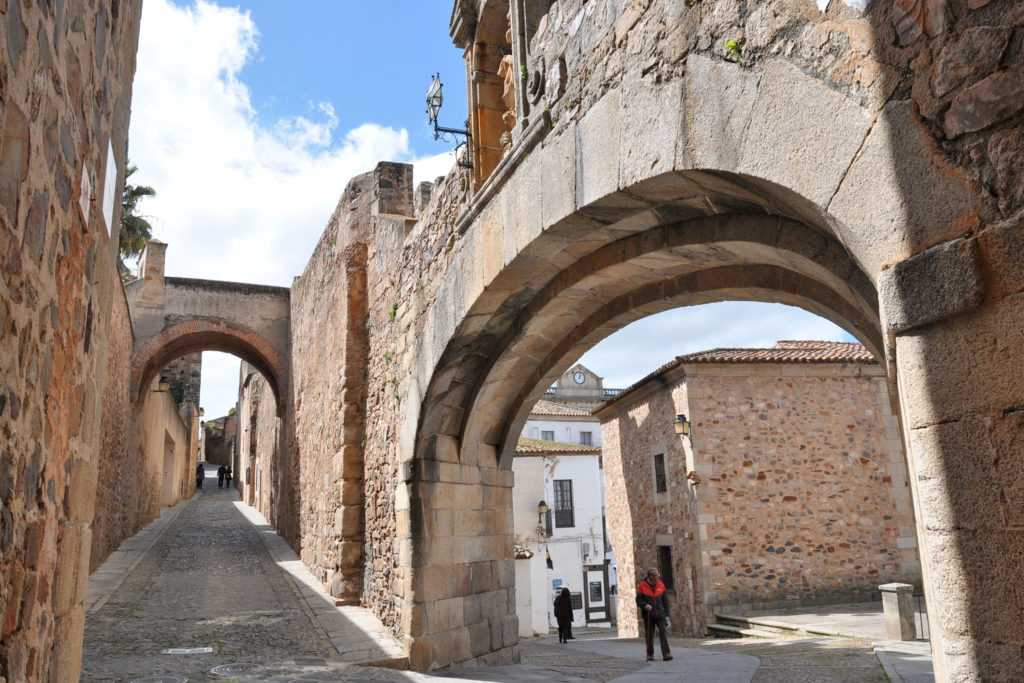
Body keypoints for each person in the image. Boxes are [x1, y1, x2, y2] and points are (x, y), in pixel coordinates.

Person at [636, 567, 672, 662]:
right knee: (649, 635)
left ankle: (666, 653)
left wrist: (667, 614)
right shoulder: (642, 586)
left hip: (660, 614)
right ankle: (650, 654)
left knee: (663, 633)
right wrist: (645, 605)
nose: (659, 577)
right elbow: (638, 600)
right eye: (657, 575)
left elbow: (665, 601)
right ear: (651, 577)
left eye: (658, 575)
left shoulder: (661, 585)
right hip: (648, 614)